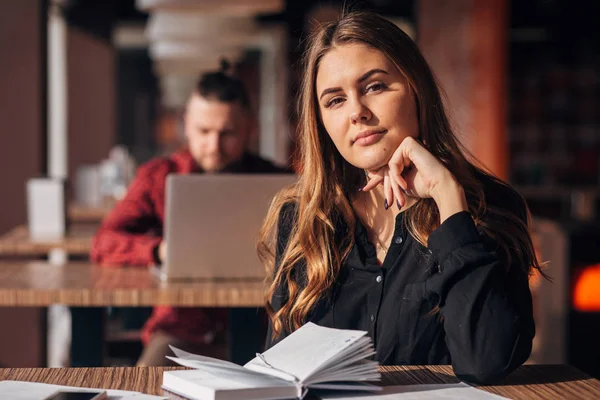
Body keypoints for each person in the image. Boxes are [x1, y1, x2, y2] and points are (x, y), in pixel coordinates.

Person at [257, 11, 542, 385]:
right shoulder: (302, 218)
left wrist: (448, 200)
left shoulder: (491, 206)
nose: (357, 112)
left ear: (416, 90)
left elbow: (487, 362)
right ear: (321, 121)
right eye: (335, 100)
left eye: (375, 86)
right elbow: (279, 373)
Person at [91, 64, 286, 366]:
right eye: (203, 131)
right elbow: (103, 242)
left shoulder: (281, 180)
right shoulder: (158, 175)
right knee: (144, 390)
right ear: (186, 124)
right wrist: (158, 250)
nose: (213, 146)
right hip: (181, 329)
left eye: (227, 133)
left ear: (249, 127)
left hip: (269, 329)